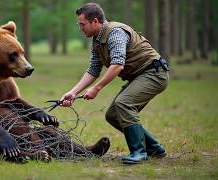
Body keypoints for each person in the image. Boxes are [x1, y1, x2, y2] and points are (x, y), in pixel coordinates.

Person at [60, 2, 169, 164]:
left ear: (95, 21)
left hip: (154, 73)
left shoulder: (115, 33)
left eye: (82, 24)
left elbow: (118, 65)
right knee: (113, 115)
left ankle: (139, 152)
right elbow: (93, 70)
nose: (80, 28)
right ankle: (154, 148)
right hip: (140, 76)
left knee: (123, 104)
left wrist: (97, 88)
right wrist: (73, 92)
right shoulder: (97, 40)